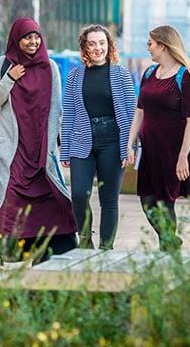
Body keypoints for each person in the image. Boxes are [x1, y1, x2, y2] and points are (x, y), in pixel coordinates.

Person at [0, 18, 77, 269]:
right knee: (9, 199)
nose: (33, 41)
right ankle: (0, 253)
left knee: (49, 197)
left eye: (36, 36)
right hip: (14, 150)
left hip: (41, 148)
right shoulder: (3, 65)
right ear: (16, 39)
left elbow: (57, 108)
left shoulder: (51, 67)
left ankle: (52, 250)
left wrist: (57, 145)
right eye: (27, 37)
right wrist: (10, 78)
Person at [125, 25, 190, 252]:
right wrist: (130, 144)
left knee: (165, 202)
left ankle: (166, 247)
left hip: (174, 151)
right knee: (147, 201)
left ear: (163, 45)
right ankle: (171, 242)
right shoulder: (149, 73)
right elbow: (139, 111)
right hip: (150, 150)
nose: (147, 48)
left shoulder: (186, 76)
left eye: (150, 43)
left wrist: (183, 156)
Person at [60, 25, 136, 250]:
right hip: (81, 140)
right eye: (91, 44)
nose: (97, 48)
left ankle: (106, 247)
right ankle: (85, 241)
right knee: (79, 194)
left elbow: (131, 114)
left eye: (101, 43)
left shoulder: (121, 74)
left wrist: (129, 147)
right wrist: (65, 150)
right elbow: (70, 113)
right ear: (84, 46)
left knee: (109, 198)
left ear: (109, 45)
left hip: (113, 141)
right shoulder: (74, 76)